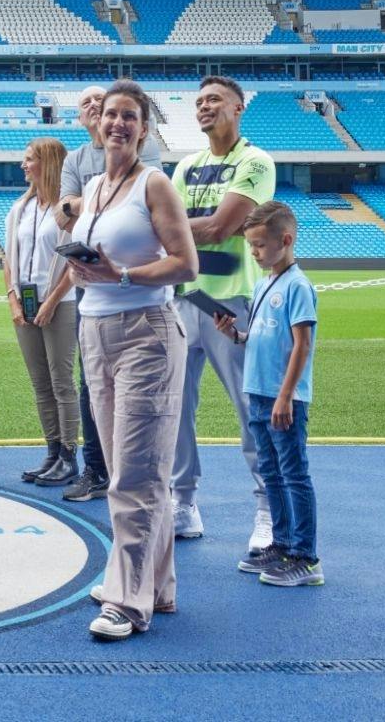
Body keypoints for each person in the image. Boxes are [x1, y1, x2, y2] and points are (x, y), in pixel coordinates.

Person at [65, 80, 199, 642]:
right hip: (95, 331)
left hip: (146, 331)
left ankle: (126, 600)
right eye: (111, 115)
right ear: (98, 126)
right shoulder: (94, 185)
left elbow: (186, 264)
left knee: (136, 473)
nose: (117, 123)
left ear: (143, 130)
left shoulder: (156, 184)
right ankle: (155, 584)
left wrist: (119, 275)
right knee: (128, 467)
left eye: (129, 117)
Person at [170, 75, 275, 556]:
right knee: (175, 412)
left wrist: (170, 229)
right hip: (185, 300)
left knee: (250, 411)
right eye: (199, 102)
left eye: (214, 100)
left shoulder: (254, 161)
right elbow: (176, 229)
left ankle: (268, 510)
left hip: (231, 303)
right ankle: (183, 504)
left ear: (238, 108)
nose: (204, 107)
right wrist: (169, 230)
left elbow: (221, 226)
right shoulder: (185, 166)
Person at [54, 84, 163, 503]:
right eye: (90, 106)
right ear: (89, 120)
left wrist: (85, 207)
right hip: (93, 292)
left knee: (136, 398)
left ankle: (138, 483)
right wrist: (86, 205)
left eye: (107, 105)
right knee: (92, 382)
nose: (100, 111)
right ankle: (96, 469)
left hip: (138, 299)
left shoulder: (144, 159)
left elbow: (139, 204)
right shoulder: (78, 160)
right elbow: (63, 212)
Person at [216, 201, 324, 588]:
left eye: (260, 245)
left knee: (294, 473)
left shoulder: (297, 285)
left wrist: (285, 396)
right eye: (251, 245)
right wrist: (235, 335)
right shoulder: (263, 284)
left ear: (286, 240)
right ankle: (281, 543)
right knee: (272, 472)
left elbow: (302, 346)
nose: (255, 252)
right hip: (258, 392)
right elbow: (262, 338)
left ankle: (306, 556)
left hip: (282, 397)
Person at [6, 137, 79, 487]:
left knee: (62, 381)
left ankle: (69, 455)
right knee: (40, 384)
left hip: (60, 304)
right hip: (25, 303)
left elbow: (74, 261)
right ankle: (51, 451)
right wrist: (12, 299)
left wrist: (51, 302)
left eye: (29, 159)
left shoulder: (65, 209)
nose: (24, 165)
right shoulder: (21, 208)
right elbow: (9, 258)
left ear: (47, 163)